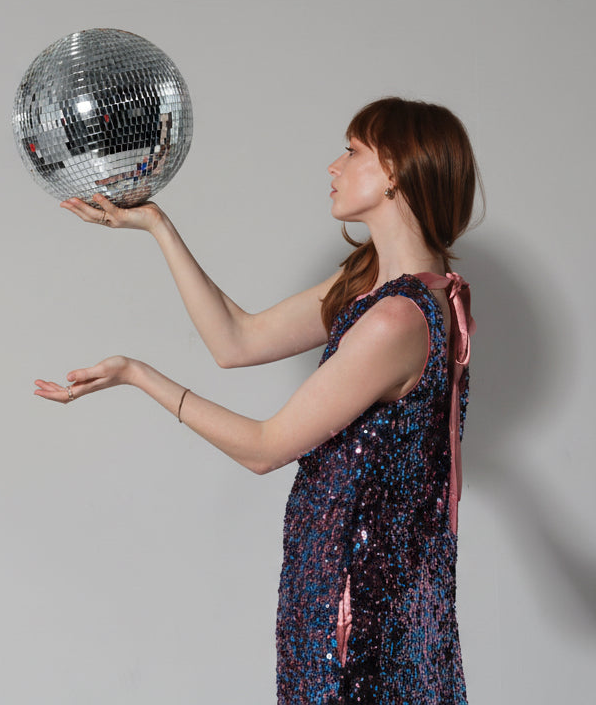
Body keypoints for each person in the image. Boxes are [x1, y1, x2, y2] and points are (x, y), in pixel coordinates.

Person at [34, 97, 479, 704]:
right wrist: (158, 225)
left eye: (352, 151)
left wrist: (140, 375)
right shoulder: (377, 284)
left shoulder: (396, 319)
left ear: (395, 171)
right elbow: (236, 341)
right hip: (336, 582)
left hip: (357, 609)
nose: (333, 166)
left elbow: (265, 449)